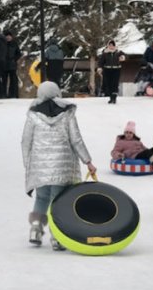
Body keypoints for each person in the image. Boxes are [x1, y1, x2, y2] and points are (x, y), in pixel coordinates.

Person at [21, 81, 97, 250]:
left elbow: (26, 141)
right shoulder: (67, 113)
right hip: (62, 166)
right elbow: (76, 140)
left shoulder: (33, 114)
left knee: (42, 197)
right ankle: (57, 237)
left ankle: (35, 230)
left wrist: (28, 164)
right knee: (58, 201)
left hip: (39, 167)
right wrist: (88, 161)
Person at [98, 40, 124, 104]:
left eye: (112, 45)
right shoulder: (105, 53)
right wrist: (100, 68)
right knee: (108, 84)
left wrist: (122, 57)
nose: (111, 46)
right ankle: (111, 98)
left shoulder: (118, 52)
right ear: (108, 46)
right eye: (110, 45)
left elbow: (124, 55)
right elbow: (101, 62)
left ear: (114, 46)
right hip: (107, 70)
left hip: (116, 70)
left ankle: (114, 97)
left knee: (115, 84)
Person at [4, 30, 23, 98]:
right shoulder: (2, 44)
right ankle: (4, 94)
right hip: (4, 65)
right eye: (7, 36)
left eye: (9, 36)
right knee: (4, 80)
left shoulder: (14, 44)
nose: (8, 37)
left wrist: (14, 59)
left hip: (12, 64)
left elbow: (19, 53)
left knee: (13, 80)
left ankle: (13, 94)